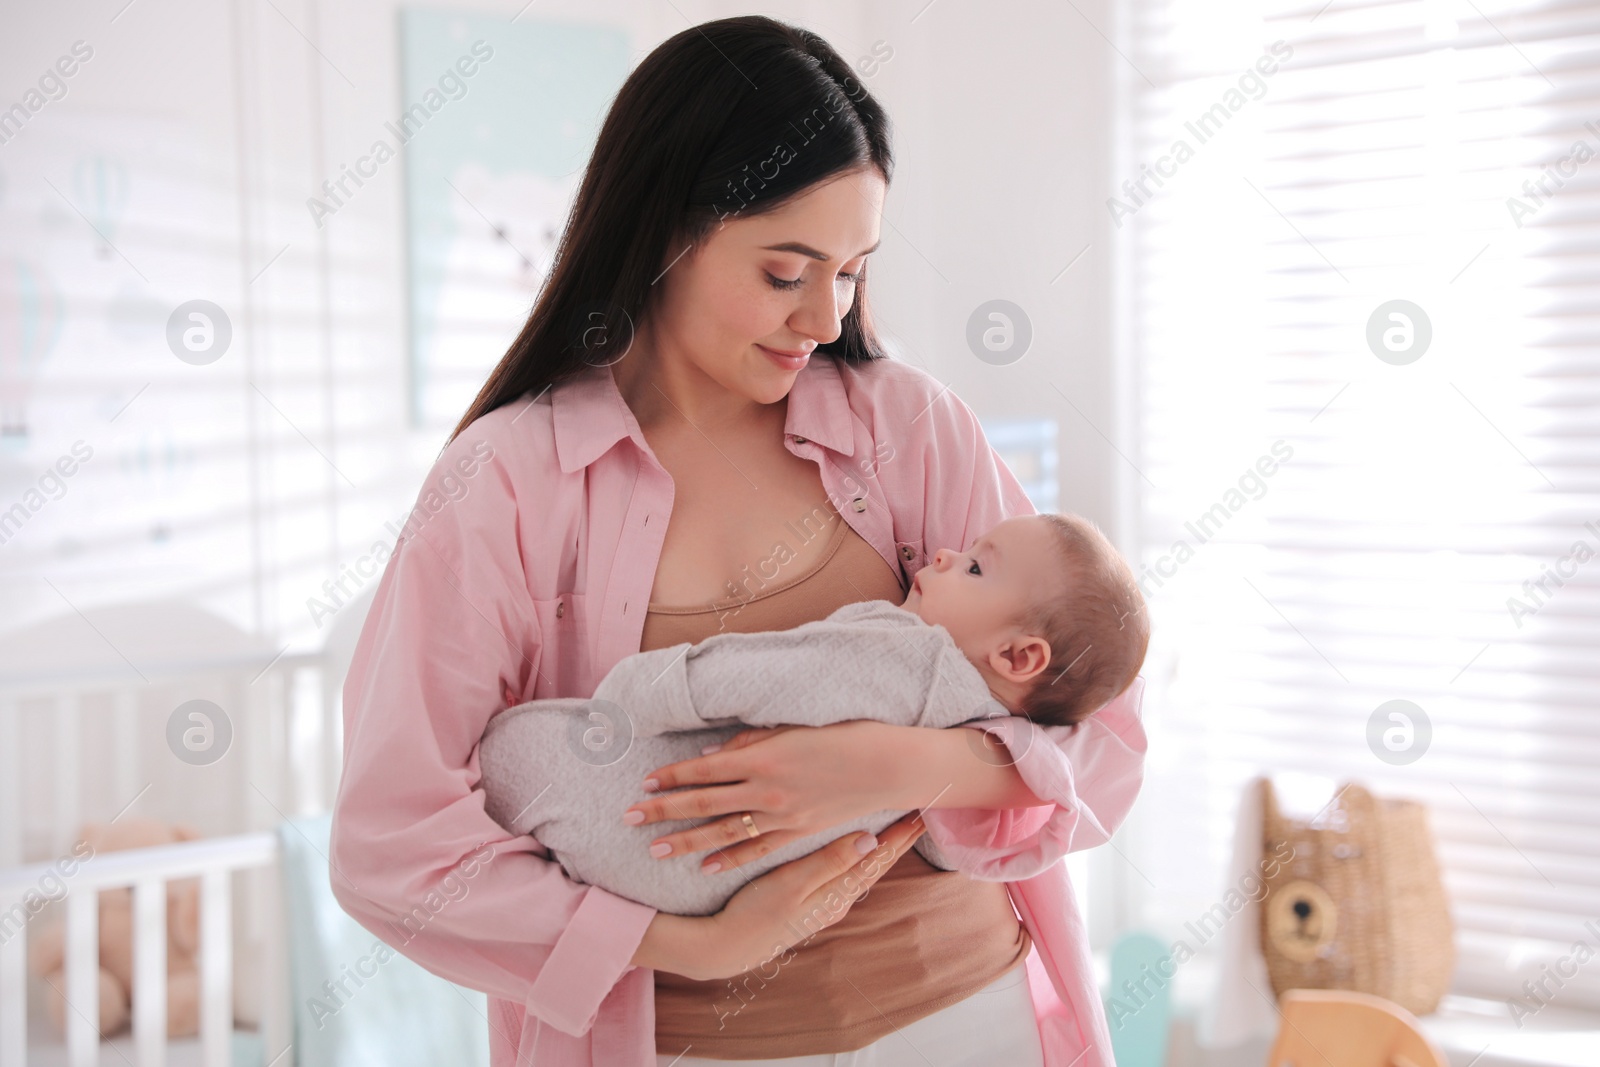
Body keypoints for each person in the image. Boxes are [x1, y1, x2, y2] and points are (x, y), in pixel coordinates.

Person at [328, 14, 1148, 1067]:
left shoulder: (906, 426)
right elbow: (392, 840)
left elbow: (1107, 726)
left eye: (851, 270)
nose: (821, 314)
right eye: (783, 270)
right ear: (665, 226)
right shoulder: (508, 484)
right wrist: (694, 942)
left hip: (968, 1013)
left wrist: (891, 762)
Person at [473, 512, 1150, 917]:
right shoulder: (979, 723)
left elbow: (763, 672)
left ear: (1018, 654)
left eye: (974, 567)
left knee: (512, 745)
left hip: (648, 812)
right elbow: (943, 846)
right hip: (712, 884)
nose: (944, 553)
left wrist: (634, 692)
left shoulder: (910, 654)